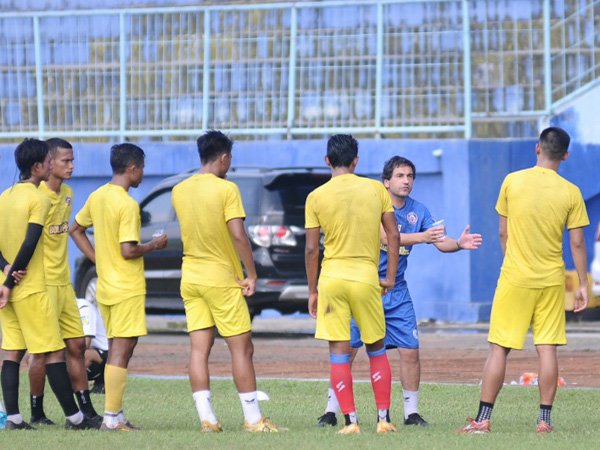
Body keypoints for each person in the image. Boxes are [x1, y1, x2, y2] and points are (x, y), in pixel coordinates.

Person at [317, 156, 483, 428]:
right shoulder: (373, 202)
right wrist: (423, 237)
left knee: (410, 351)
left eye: (410, 176)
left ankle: (411, 413)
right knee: (348, 350)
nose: (406, 181)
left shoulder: (418, 210)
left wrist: (459, 244)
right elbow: (387, 236)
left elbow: (439, 241)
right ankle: (331, 410)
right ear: (386, 182)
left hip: (397, 291)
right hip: (366, 287)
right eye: (400, 176)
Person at [459, 127, 589, 434]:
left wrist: (511, 263)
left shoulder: (512, 181)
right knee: (547, 348)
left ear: (537, 149)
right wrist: (582, 284)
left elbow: (503, 232)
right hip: (550, 279)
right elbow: (578, 244)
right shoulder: (571, 192)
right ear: (565, 155)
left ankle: (483, 418)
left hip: (515, 276)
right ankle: (544, 421)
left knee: (498, 348)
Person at [171, 130, 282, 433]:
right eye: (229, 159)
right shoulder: (226, 189)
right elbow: (237, 234)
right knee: (242, 348)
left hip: (190, 276)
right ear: (223, 157)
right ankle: (253, 420)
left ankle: (207, 418)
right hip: (221, 277)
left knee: (198, 350)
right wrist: (252, 272)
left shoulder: (179, 190)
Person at [305, 134, 400, 434]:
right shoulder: (374, 189)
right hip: (366, 278)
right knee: (376, 348)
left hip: (332, 280)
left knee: (339, 351)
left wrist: (312, 291)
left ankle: (350, 422)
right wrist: (391, 277)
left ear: (327, 161)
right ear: (356, 160)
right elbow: (393, 235)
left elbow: (310, 249)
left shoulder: (316, 196)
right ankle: (383, 420)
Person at [70, 143, 168, 431]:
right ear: (133, 168)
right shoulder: (126, 204)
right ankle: (111, 417)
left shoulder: (98, 195)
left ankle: (117, 412)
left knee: (119, 347)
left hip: (106, 286)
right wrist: (154, 244)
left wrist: (97, 258)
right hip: (126, 286)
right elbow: (128, 250)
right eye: (142, 168)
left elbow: (75, 229)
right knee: (122, 350)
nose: (142, 174)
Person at [0, 139, 94, 430]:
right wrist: (14, 275)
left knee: (12, 351)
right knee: (53, 351)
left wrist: (5, 274)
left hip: (9, 285)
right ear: (39, 166)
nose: (55, 165)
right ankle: (75, 418)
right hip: (33, 285)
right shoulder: (38, 199)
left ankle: (14, 418)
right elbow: (31, 241)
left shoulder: (5, 196)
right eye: (50, 161)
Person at [26, 138, 102, 427]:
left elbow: (71, 230)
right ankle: (37, 412)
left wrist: (95, 258)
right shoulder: (36, 196)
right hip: (41, 286)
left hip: (63, 284)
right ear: (48, 162)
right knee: (42, 353)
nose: (71, 165)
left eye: (72, 160)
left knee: (76, 346)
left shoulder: (68, 193)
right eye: (65, 161)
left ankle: (85, 411)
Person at [77, 297, 109, 394]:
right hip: (92, 350)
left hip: (105, 353)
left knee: (81, 354)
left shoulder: (83, 307)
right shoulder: (61, 312)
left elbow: (86, 344)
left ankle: (77, 384)